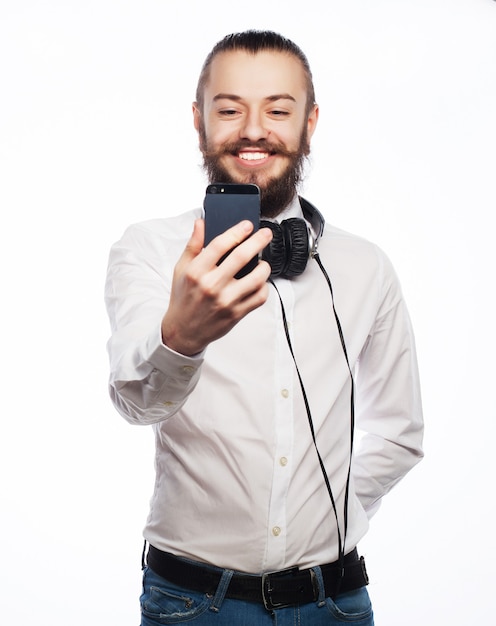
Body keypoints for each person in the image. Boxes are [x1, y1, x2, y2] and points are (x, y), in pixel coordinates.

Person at [105, 30, 424, 626]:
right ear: (199, 121)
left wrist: (329, 512)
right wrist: (183, 336)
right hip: (192, 604)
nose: (255, 129)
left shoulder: (366, 266)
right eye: (230, 110)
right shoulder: (149, 250)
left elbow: (400, 432)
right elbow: (135, 401)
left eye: (279, 109)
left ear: (310, 122)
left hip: (337, 600)